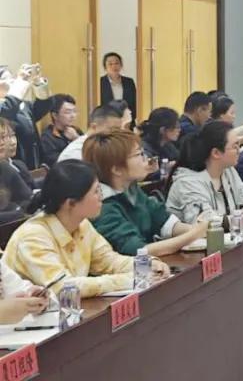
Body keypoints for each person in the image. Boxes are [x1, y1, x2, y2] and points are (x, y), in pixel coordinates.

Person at [2, 160, 170, 297]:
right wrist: (130, 280)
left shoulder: (81, 224)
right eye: (96, 192)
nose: (101, 197)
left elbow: (108, 261)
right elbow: (63, 287)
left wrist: (146, 265)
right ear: (71, 203)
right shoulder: (33, 236)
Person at [83, 129, 208, 256]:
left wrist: (203, 230)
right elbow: (138, 251)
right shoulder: (102, 207)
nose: (146, 159)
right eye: (139, 154)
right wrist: (194, 234)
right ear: (117, 169)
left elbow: (163, 221)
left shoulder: (131, 189)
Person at [165, 121, 243, 226]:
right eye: (235, 146)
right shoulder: (188, 182)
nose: (239, 150)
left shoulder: (228, 171)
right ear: (216, 153)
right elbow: (202, 222)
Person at [0, 64, 52, 169]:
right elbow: (7, 110)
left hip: (32, 162)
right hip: (9, 166)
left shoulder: (23, 105)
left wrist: (37, 81)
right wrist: (20, 82)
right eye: (6, 78)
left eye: (12, 77)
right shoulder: (6, 107)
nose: (12, 81)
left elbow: (44, 105)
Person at [57, 103, 125, 163]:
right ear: (94, 127)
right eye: (112, 129)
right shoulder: (75, 153)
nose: (117, 134)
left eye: (119, 130)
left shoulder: (106, 147)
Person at [0, 118, 33, 221]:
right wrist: (16, 212)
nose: (1, 142)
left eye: (3, 137)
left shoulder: (5, 167)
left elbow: (27, 199)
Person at [40, 94, 82, 168]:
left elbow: (89, 152)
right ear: (55, 115)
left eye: (74, 111)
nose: (73, 115)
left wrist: (76, 138)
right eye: (68, 112)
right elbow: (59, 162)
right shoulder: (47, 138)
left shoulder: (76, 130)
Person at [99, 52, 137, 121]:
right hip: (107, 121)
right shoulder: (100, 82)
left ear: (121, 65)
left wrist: (129, 118)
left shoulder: (129, 82)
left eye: (117, 63)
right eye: (110, 64)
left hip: (127, 121)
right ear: (105, 67)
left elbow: (135, 103)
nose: (114, 66)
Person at [0, 118, 34, 192]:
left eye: (3, 137)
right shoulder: (5, 170)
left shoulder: (20, 165)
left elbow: (32, 189)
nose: (2, 143)